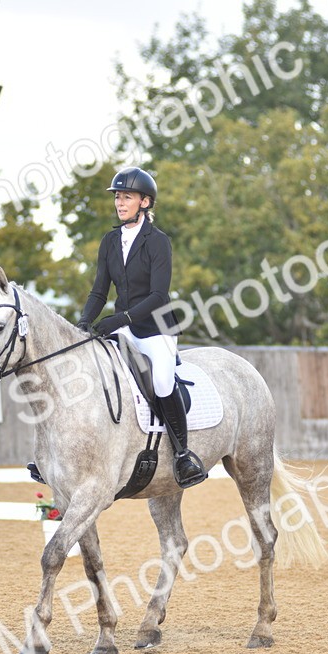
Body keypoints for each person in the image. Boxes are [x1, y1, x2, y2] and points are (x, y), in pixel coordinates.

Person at [76, 167, 207, 488]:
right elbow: (98, 291)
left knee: (162, 381)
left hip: (156, 328)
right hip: (123, 326)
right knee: (91, 367)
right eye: (118, 197)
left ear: (145, 202)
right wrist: (82, 323)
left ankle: (182, 455)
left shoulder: (158, 242)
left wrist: (119, 320)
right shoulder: (109, 241)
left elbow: (158, 295)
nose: (120, 203)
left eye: (127, 197)